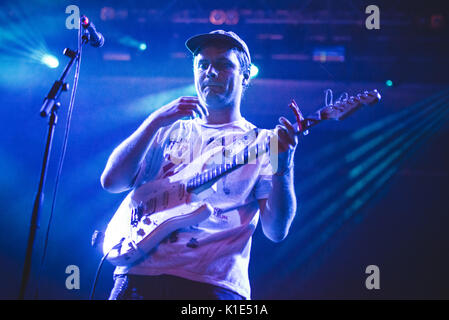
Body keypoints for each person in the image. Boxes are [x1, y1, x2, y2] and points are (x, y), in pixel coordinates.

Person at [101, 30, 301, 300]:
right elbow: (111, 181)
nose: (210, 72)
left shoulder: (264, 142)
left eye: (223, 65)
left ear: (245, 76)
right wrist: (154, 121)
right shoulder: (167, 129)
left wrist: (283, 167)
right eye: (202, 65)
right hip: (137, 277)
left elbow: (276, 231)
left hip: (212, 286)